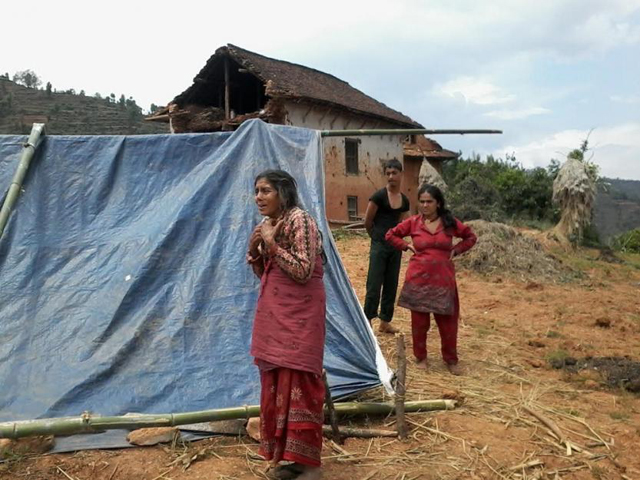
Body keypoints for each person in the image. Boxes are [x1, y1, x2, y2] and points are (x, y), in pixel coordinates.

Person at [246, 169, 326, 480]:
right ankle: (288, 459)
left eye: (265, 190)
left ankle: (308, 465)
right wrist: (256, 251)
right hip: (276, 317)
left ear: (283, 193)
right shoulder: (268, 225)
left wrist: (272, 245)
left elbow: (304, 270)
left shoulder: (299, 220)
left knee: (300, 383)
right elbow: (268, 274)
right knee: (278, 382)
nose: (259, 197)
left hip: (300, 317)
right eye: (256, 191)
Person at [384, 184, 476, 375]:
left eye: (429, 201)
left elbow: (470, 237)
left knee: (447, 322)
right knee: (419, 323)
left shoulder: (449, 223)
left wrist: (456, 250)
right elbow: (390, 234)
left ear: (438, 203)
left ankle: (450, 360)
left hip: (443, 281)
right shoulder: (413, 222)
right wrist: (406, 245)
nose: (425, 205)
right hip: (418, 280)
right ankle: (421, 358)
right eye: (422, 201)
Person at [363, 158, 410, 334]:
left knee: (391, 284)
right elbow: (367, 221)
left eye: (394, 173)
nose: (391, 176)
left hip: (395, 247)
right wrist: (375, 239)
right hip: (379, 245)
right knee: (374, 285)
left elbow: (403, 222)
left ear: (401, 174)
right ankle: (367, 321)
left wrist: (398, 241)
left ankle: (385, 322)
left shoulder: (404, 200)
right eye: (388, 173)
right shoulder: (378, 196)